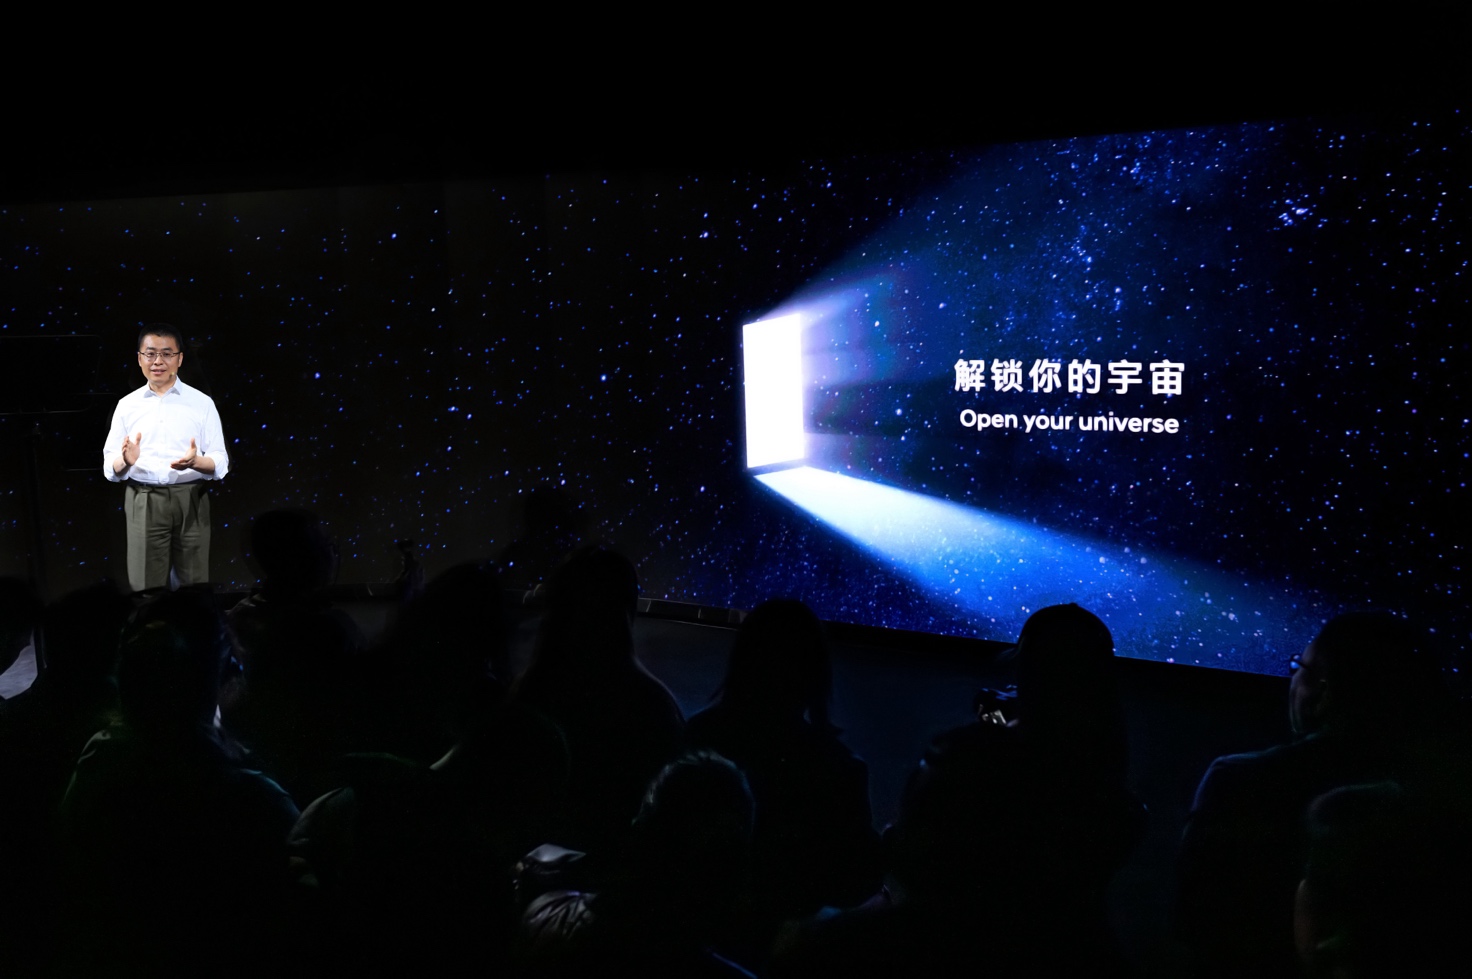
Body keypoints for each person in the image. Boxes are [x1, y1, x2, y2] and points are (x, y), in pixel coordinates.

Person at [103, 324, 229, 592]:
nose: (157, 361)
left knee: (194, 588)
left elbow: (220, 460)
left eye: (166, 354)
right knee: (146, 589)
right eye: (150, 354)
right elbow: (110, 465)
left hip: (191, 498)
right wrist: (126, 461)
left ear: (179, 358)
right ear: (140, 359)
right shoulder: (127, 405)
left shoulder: (201, 403)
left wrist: (196, 462)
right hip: (144, 498)